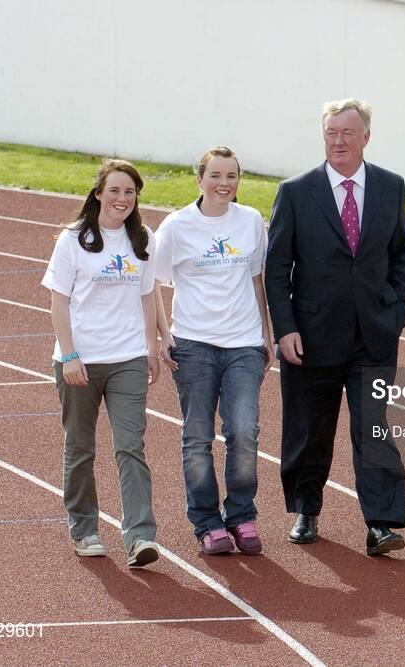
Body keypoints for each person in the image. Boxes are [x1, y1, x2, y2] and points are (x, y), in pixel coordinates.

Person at [265, 98, 405, 556]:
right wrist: (285, 327)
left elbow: (403, 256)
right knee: (309, 429)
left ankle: (382, 524)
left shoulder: (391, 186)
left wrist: (396, 310)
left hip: (373, 335)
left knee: (372, 428)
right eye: (331, 133)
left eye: (347, 133)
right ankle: (306, 510)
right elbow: (277, 268)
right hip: (310, 338)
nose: (338, 141)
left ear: (365, 137)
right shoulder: (295, 192)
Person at [153, 146, 273, 556]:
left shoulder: (252, 221)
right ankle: (206, 523)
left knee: (243, 432)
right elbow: (152, 283)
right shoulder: (176, 226)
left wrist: (267, 335)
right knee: (197, 435)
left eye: (232, 176)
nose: (225, 184)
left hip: (244, 344)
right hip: (194, 345)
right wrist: (162, 334)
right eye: (216, 176)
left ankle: (242, 516)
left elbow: (258, 281)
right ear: (199, 180)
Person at [43, 158, 161, 568]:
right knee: (80, 449)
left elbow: (148, 295)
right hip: (79, 362)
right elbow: (59, 301)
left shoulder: (143, 238)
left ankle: (140, 536)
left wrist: (152, 346)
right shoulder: (73, 239)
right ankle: (85, 528)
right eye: (114, 190)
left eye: (130, 192)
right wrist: (70, 354)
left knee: (131, 446)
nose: (122, 199)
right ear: (98, 194)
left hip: (127, 358)